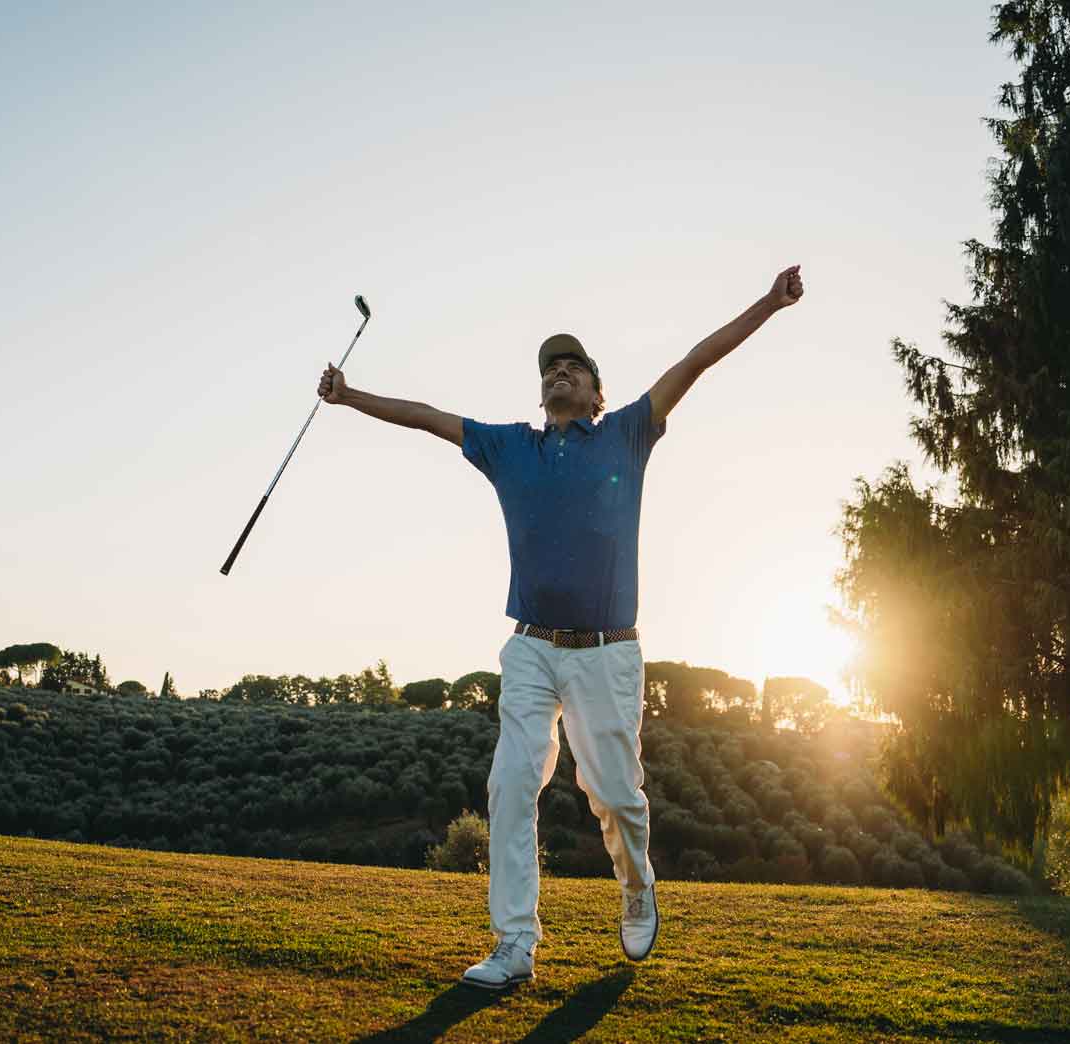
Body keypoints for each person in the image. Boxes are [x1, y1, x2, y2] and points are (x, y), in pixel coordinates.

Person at [316, 263, 806, 989]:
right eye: (549, 368)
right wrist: (350, 396)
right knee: (512, 782)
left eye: (573, 366)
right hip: (531, 649)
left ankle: (637, 888)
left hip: (607, 655)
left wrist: (768, 302)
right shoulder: (509, 446)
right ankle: (516, 943)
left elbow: (696, 359)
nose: (559, 374)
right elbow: (426, 416)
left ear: (595, 389)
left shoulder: (631, 432)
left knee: (615, 795)